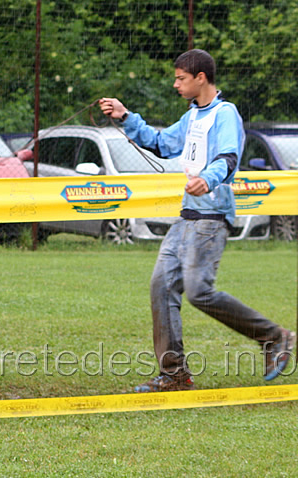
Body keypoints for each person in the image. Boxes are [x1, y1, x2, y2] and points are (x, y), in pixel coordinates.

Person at [99, 49, 295, 392]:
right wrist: (125, 115)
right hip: (187, 217)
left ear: (200, 77)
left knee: (200, 291)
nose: (176, 84)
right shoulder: (192, 116)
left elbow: (229, 156)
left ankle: (274, 337)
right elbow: (161, 144)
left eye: (181, 78)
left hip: (212, 216)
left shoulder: (225, 113)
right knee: (161, 287)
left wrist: (210, 178)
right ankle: (174, 374)